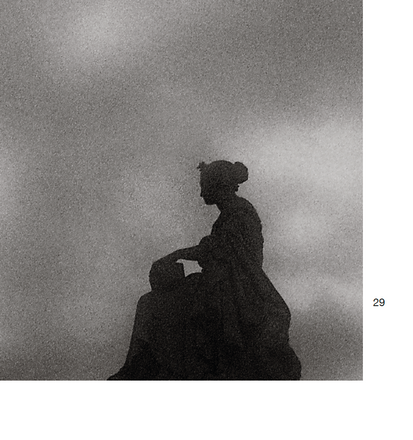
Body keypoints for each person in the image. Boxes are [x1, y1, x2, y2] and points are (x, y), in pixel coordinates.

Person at [109, 160, 301, 379]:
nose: (201, 194)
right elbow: (216, 249)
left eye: (203, 186)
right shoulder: (230, 215)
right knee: (155, 302)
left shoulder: (241, 213)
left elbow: (222, 250)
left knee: (155, 304)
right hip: (220, 284)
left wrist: (178, 255)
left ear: (217, 184)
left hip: (237, 290)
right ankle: (143, 363)